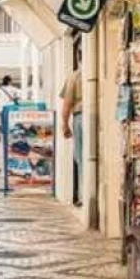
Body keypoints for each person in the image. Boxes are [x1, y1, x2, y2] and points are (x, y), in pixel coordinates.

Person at [60, 58, 83, 207]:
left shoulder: (75, 76)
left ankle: (82, 194)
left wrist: (64, 123)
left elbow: (67, 102)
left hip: (80, 117)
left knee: (80, 157)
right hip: (93, 116)